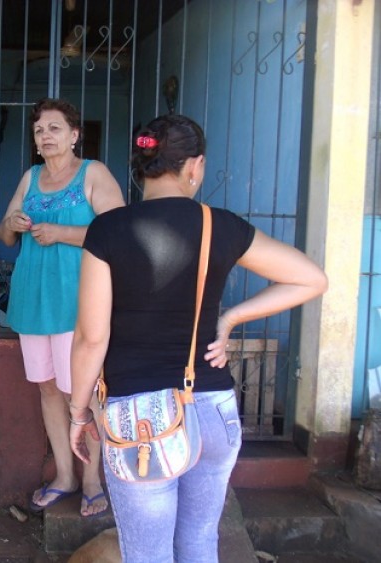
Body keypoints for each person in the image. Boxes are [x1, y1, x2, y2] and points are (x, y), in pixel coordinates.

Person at [69, 114, 328, 561]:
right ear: (196, 166)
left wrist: (78, 411)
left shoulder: (108, 230)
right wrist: (231, 319)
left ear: (141, 167)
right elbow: (311, 279)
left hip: (140, 421)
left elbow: (92, 338)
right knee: (199, 542)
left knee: (147, 553)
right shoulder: (220, 226)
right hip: (212, 412)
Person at [0, 98, 126, 517]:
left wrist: (62, 233)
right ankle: (65, 475)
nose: (45, 136)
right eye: (39, 130)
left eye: (54, 128)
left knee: (81, 392)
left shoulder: (93, 173)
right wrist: (12, 223)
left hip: (78, 300)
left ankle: (92, 481)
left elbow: (119, 230)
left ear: (74, 135)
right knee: (48, 388)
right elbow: (5, 236)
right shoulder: (30, 178)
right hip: (33, 300)